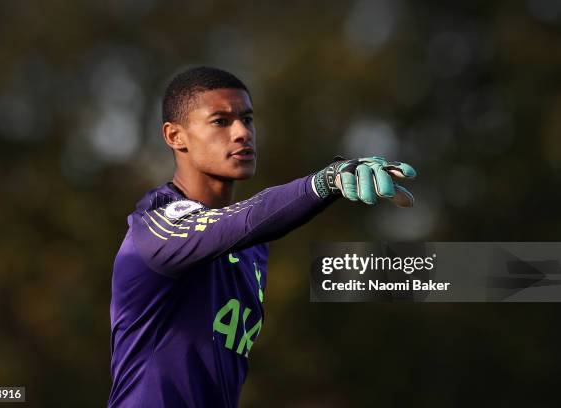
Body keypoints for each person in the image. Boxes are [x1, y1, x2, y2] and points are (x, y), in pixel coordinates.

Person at [108, 67, 416, 407]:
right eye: (220, 121)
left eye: (248, 119)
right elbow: (245, 218)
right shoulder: (154, 227)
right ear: (174, 136)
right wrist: (326, 182)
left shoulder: (254, 249)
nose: (242, 132)